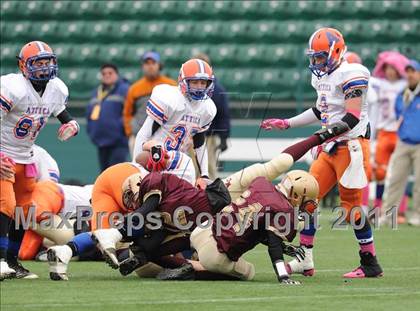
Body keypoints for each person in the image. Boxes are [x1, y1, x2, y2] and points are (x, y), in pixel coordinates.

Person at [46, 122, 348, 281]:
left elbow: (156, 164)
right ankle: (72, 249)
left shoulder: (167, 175)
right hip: (202, 216)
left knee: (144, 240)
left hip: (206, 203)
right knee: (151, 248)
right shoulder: (162, 185)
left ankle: (75, 248)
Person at [261, 28, 383, 278]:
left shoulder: (351, 73)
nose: (316, 62)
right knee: (307, 199)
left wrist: (318, 137)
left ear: (336, 52)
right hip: (330, 146)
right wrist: (287, 123)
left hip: (351, 145)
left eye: (320, 57)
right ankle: (305, 259)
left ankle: (370, 262)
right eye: (313, 57)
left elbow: (350, 117)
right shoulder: (323, 77)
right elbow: (321, 111)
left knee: (351, 209)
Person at [0, 41, 79, 280]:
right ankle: (1, 260)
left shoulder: (56, 88)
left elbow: (59, 110)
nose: (44, 68)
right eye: (38, 63)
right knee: (6, 204)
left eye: (47, 62)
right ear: (23, 66)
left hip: (26, 155)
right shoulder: (12, 86)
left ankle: (13, 263)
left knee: (24, 211)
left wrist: (71, 123)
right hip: (4, 152)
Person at [132, 58, 218, 189]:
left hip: (178, 162)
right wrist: (136, 167)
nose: (200, 87)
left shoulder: (207, 108)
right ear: (183, 81)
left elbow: (200, 144)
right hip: (154, 157)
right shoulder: (169, 98)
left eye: (203, 82)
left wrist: (205, 175)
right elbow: (145, 133)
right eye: (194, 82)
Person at [369, 51, 410, 215]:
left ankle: (401, 209)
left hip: (400, 131)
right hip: (384, 131)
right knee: (380, 172)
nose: (390, 71)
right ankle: (378, 207)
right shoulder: (380, 84)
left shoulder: (404, 84)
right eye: (387, 67)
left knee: (402, 172)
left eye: (393, 68)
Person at [382, 60, 420, 226]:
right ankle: (389, 215)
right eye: (408, 71)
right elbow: (398, 115)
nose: (410, 74)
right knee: (395, 180)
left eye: (413, 71)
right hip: (403, 142)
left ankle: (418, 214)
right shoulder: (402, 94)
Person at [123, 51, 177, 152]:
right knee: (139, 166)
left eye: (153, 63)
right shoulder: (134, 88)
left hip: (165, 137)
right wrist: (130, 132)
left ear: (159, 65)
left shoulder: (171, 85)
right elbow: (127, 113)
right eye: (147, 63)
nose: (150, 66)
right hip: (139, 136)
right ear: (142, 66)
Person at [86, 63, 130, 172]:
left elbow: (130, 112)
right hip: (101, 141)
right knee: (104, 175)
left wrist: (122, 130)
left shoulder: (125, 90)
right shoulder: (96, 92)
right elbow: (89, 114)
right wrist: (92, 131)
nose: (107, 75)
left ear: (117, 75)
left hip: (119, 142)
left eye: (110, 73)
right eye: (104, 73)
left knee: (116, 173)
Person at [194, 53, 231, 179]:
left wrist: (224, 137)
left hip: (208, 136)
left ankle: (211, 197)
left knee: (208, 170)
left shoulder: (217, 89)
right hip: (189, 135)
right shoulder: (187, 87)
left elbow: (223, 114)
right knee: (190, 169)